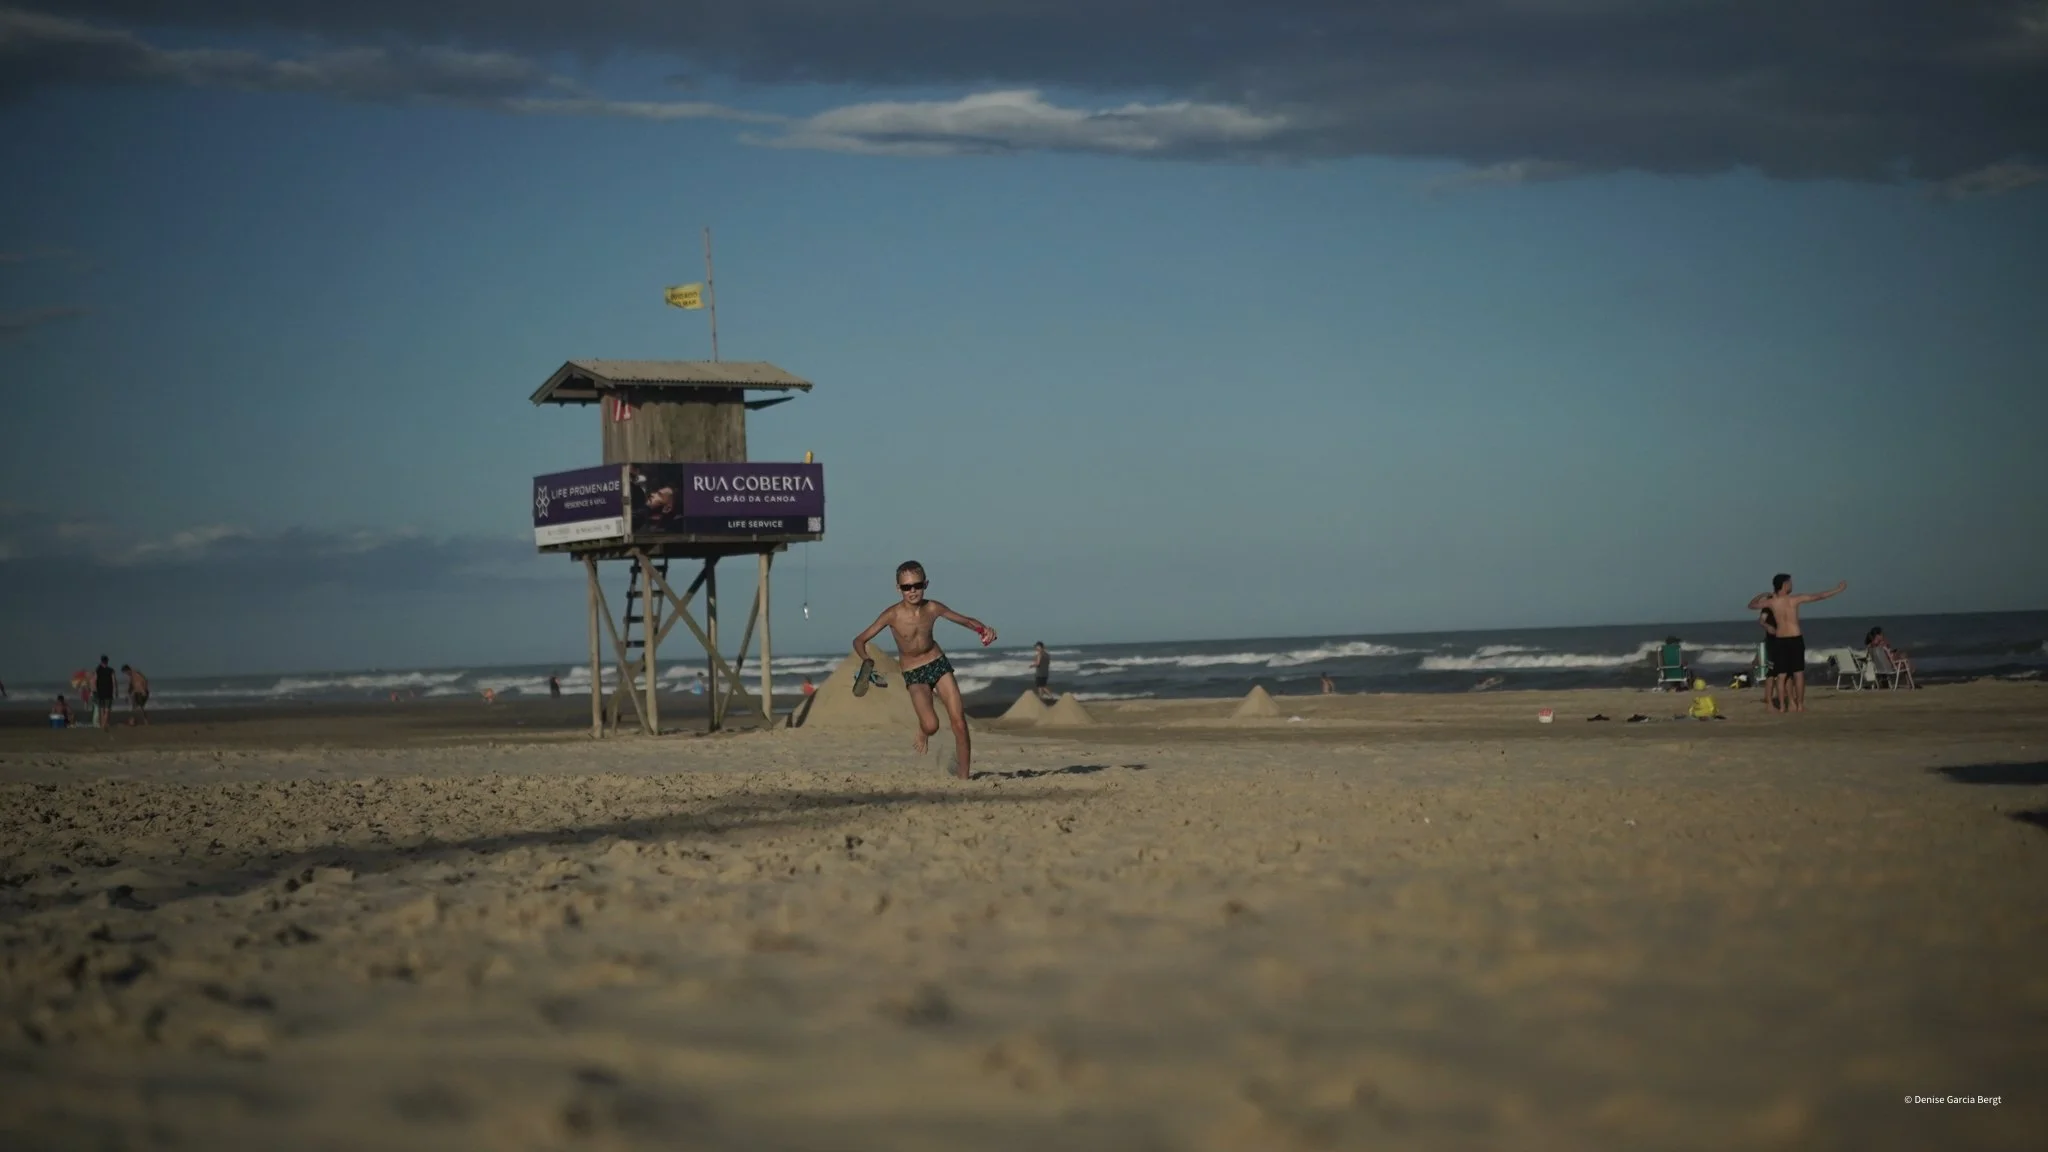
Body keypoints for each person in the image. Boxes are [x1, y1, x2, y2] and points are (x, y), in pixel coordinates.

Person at [852, 560, 995, 780]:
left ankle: (964, 778)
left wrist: (983, 629)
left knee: (959, 722)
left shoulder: (932, 608)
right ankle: (923, 730)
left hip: (938, 664)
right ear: (898, 588)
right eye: (907, 587)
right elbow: (859, 640)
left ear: (925, 584)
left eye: (917, 585)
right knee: (932, 725)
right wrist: (866, 660)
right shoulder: (892, 615)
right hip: (914, 673)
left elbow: (964, 620)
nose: (912, 591)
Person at [1746, 574, 1847, 713]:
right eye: (1790, 583)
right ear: (1785, 584)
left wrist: (1763, 594)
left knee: (1781, 675)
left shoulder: (1772, 602)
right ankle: (1798, 705)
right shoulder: (1794, 599)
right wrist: (1838, 590)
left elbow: (1751, 605)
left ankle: (1783, 707)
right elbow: (1818, 596)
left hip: (1781, 639)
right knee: (1797, 673)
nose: (1792, 585)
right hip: (1794, 638)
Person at [93, 655, 116, 731]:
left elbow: (95, 681)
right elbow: (113, 682)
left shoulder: (98, 670)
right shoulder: (111, 670)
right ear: (107, 661)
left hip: (100, 692)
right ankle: (104, 724)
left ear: (101, 661)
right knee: (107, 709)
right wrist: (115, 691)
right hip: (108, 692)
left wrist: (95, 690)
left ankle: (102, 724)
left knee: (101, 709)